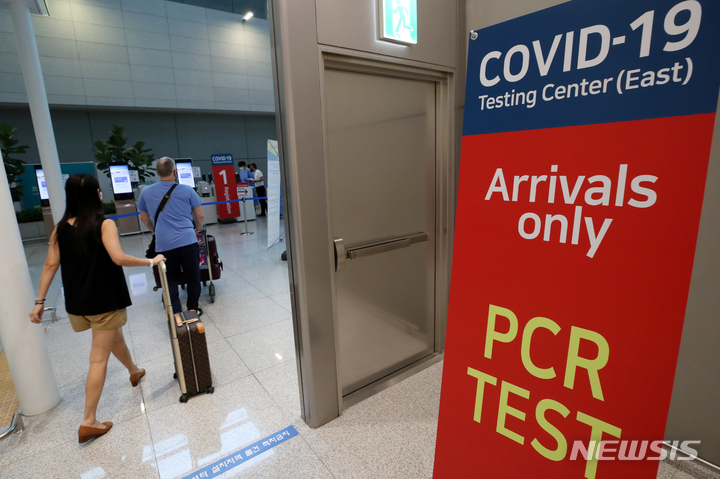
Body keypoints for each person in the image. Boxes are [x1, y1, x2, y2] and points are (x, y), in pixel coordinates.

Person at [29, 173, 166, 444]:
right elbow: (118, 258)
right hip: (103, 300)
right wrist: (151, 261)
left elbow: (49, 265)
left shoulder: (60, 228)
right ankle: (89, 420)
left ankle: (134, 371)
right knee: (98, 359)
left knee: (114, 337)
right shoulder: (103, 225)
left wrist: (40, 302)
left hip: (78, 304)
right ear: (96, 194)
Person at [138, 157, 204, 316]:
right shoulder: (187, 190)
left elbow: (143, 217)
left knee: (170, 278)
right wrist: (198, 229)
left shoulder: (146, 192)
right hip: (188, 240)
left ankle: (176, 313)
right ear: (175, 172)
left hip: (164, 244)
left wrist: (155, 230)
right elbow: (199, 216)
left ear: (157, 173)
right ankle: (193, 309)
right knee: (193, 275)